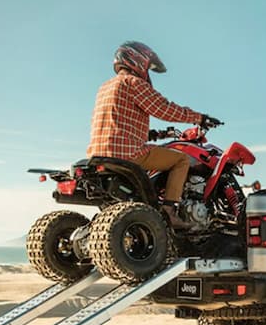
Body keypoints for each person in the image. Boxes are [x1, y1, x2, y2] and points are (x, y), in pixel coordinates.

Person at [86, 41, 220, 229]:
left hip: (97, 154)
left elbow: (119, 125)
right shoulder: (133, 83)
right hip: (127, 154)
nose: (148, 72)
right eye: (148, 66)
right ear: (138, 60)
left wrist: (157, 134)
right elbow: (163, 109)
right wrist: (200, 118)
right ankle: (169, 211)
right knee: (181, 160)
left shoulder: (105, 87)